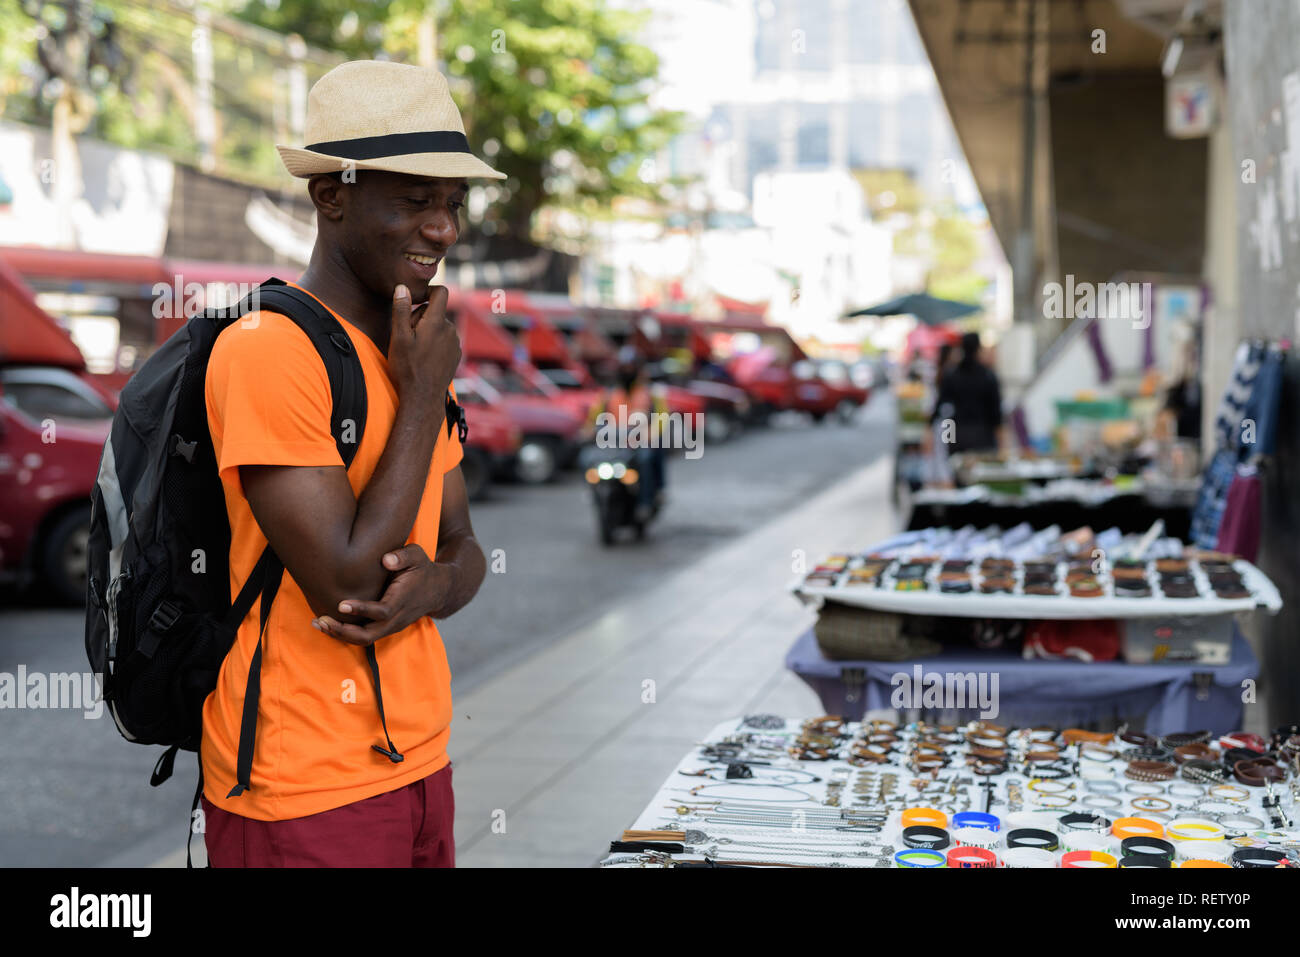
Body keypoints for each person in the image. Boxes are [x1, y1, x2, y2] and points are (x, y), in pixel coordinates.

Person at [200, 60, 501, 867]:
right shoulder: (269, 350)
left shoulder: (407, 349)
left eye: (453, 203)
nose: (444, 229)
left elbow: (463, 544)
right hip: (301, 786)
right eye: (414, 199)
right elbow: (349, 582)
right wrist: (423, 391)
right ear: (332, 194)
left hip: (419, 763)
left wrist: (438, 584)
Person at [587, 351, 668, 520]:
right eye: (624, 367)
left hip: (639, 443)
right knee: (588, 461)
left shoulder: (650, 393)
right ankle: (594, 495)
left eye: (630, 367)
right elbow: (594, 417)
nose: (627, 371)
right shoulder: (608, 394)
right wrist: (588, 430)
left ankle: (645, 502)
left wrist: (652, 432)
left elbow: (662, 416)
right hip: (615, 445)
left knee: (646, 459)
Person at [928, 331, 1006, 455]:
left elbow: (939, 405)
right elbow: (996, 414)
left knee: (957, 471)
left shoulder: (952, 374)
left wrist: (929, 430)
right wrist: (1002, 444)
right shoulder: (988, 376)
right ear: (978, 349)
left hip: (957, 434)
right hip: (983, 436)